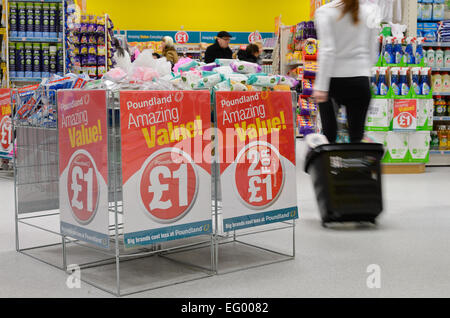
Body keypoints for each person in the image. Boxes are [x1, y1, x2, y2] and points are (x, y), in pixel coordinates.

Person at [313, 0, 378, 143]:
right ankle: (356, 164)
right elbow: (373, 50)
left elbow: (327, 50)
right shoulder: (370, 11)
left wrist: (321, 87)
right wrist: (365, 73)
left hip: (332, 82)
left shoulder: (324, 12)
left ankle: (332, 164)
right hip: (360, 82)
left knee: (329, 138)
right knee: (356, 138)